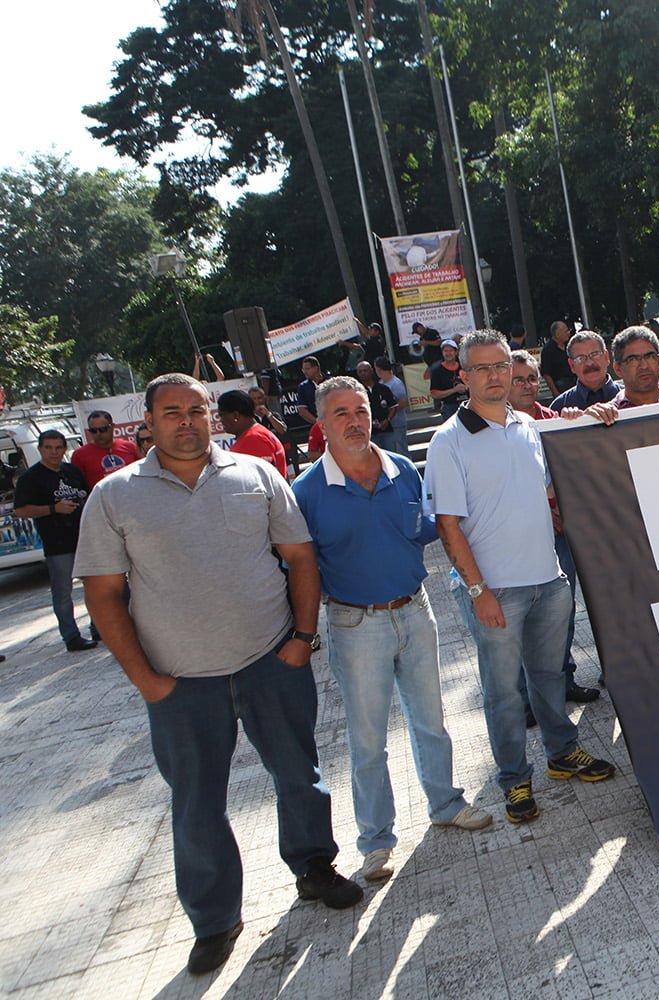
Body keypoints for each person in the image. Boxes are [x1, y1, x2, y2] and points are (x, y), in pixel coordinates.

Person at [76, 373, 361, 976]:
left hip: (270, 662)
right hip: (180, 682)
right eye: (171, 412)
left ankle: (313, 867)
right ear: (147, 424)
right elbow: (102, 595)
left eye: (196, 410)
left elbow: (300, 556)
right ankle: (214, 919)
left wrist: (302, 639)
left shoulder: (255, 475)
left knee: (300, 776)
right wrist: (145, 681)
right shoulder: (114, 495)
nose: (187, 421)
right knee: (197, 804)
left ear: (213, 416)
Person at [293, 376, 492, 884]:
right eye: (340, 413)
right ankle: (376, 842)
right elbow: (300, 567)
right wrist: (303, 631)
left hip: (414, 610)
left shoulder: (402, 469)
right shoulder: (307, 493)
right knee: (368, 740)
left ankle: (446, 804)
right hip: (355, 624)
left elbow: (432, 526)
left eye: (360, 410)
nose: (354, 421)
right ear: (321, 424)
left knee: (431, 720)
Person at [424, 330, 617, 825]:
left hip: (548, 581)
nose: (494, 376)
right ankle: (514, 779)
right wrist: (477, 590)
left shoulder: (528, 426)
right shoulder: (449, 441)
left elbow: (551, 492)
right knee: (503, 691)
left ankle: (562, 753)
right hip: (494, 591)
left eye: (501, 366)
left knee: (550, 675)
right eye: (482, 369)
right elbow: (447, 526)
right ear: (463, 377)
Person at [506, 351, 600, 706]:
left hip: (563, 535)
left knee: (562, 613)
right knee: (522, 619)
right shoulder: (499, 428)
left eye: (532, 378)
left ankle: (565, 680)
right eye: (519, 379)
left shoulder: (555, 420)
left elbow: (573, 473)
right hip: (522, 540)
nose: (528, 385)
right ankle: (524, 697)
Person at [13, 430, 97, 652]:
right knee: (63, 592)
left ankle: (98, 627)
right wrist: (53, 509)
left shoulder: (72, 471)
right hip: (57, 543)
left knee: (96, 587)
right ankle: (71, 637)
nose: (53, 452)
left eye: (58, 447)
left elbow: (87, 496)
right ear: (40, 449)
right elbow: (20, 510)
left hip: (84, 538)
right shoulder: (31, 478)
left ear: (64, 449)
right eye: (48, 448)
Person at [219, 389, 288, 477]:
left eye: (222, 415)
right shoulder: (256, 433)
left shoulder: (253, 439)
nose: (221, 420)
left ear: (235, 415)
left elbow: (262, 481)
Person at [550, 331, 621, 411]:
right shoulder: (559, 407)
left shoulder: (629, 398)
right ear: (572, 365)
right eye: (580, 358)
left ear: (606, 357)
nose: (589, 363)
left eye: (594, 354)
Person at [72, 410, 140, 487]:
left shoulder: (130, 447)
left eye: (103, 429)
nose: (98, 434)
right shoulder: (79, 455)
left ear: (112, 427)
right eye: (93, 431)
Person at [354, 361, 399, 448]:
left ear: (371, 371)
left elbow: (393, 406)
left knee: (390, 456)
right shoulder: (357, 393)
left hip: (386, 431)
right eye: (360, 371)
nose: (363, 373)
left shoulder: (383, 389)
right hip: (369, 433)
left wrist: (387, 420)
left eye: (365, 370)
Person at [374, 356, 409, 455]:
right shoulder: (380, 383)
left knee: (401, 450)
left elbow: (403, 402)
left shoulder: (396, 383)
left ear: (379, 369)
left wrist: (390, 409)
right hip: (386, 425)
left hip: (397, 423)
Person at [427, 340, 468, 419]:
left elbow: (475, 383)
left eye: (451, 351)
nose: (448, 353)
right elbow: (434, 394)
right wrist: (454, 390)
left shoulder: (464, 366)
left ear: (456, 352)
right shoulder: (437, 370)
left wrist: (466, 387)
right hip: (449, 406)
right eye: (445, 351)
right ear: (442, 353)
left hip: (467, 403)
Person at [539, 320, 576, 398]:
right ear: (558, 333)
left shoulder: (569, 346)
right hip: (560, 385)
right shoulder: (548, 350)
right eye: (566, 331)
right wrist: (555, 392)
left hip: (574, 381)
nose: (568, 333)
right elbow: (546, 373)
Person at [294, 356, 324, 426]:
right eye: (303, 369)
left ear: (316, 368)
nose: (305, 372)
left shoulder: (330, 381)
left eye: (307, 369)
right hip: (317, 425)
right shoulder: (303, 387)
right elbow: (302, 410)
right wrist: (318, 423)